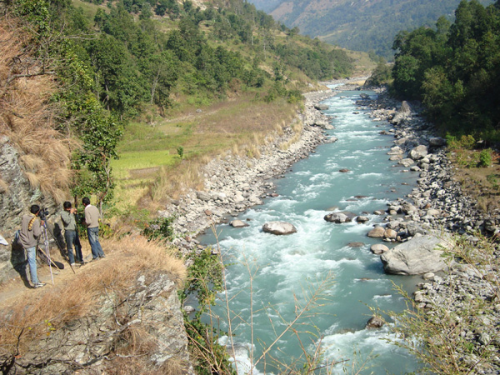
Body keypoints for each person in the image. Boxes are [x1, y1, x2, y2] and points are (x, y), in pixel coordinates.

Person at [19, 205, 45, 288]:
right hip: (31, 243)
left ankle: (35, 279)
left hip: (24, 241)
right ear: (37, 212)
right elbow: (37, 233)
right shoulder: (36, 221)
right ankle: (35, 282)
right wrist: (41, 226)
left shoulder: (24, 217)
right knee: (32, 262)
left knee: (31, 261)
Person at [61, 201, 83, 266]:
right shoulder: (63, 213)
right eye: (67, 208)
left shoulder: (71, 213)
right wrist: (70, 213)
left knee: (77, 245)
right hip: (68, 231)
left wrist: (76, 214)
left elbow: (78, 220)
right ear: (65, 208)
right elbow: (67, 221)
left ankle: (79, 259)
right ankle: (72, 261)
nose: (69, 209)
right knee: (70, 247)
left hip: (74, 230)